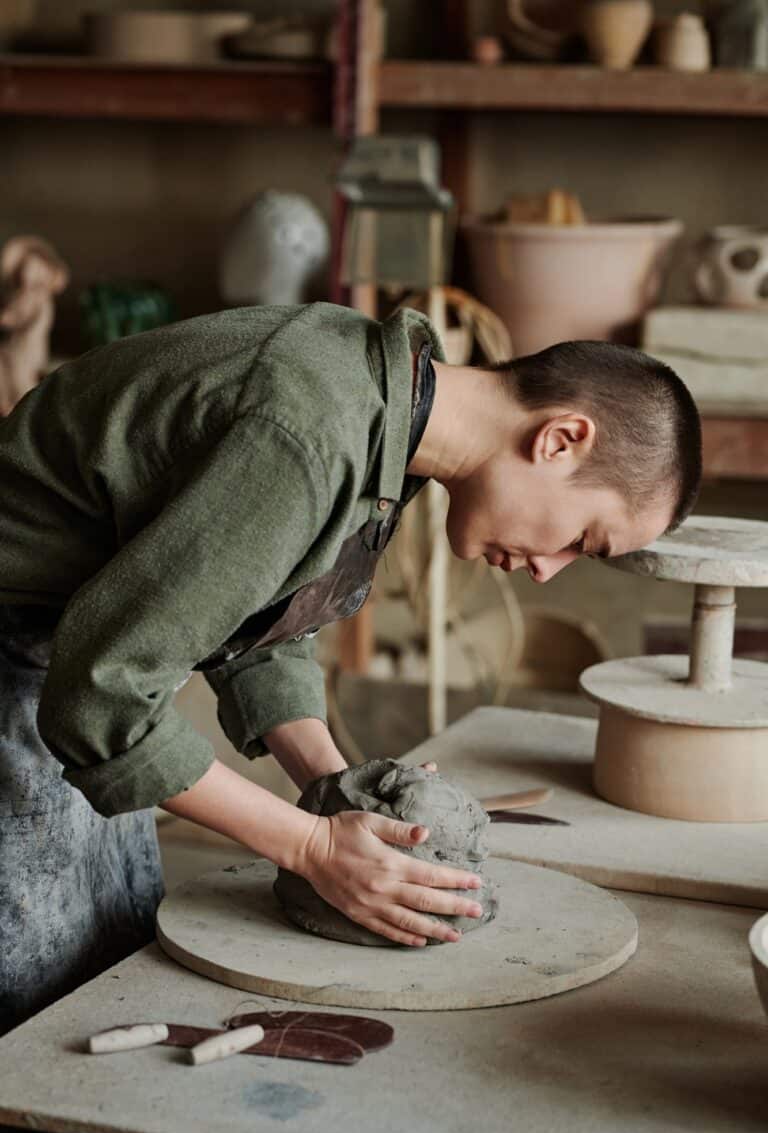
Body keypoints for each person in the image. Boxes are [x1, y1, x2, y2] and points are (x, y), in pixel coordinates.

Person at [0, 302, 702, 1033]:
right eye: (582, 540)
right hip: (32, 668)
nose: (550, 573)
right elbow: (101, 697)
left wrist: (340, 793)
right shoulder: (309, 432)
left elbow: (254, 613)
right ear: (560, 440)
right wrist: (309, 846)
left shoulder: (384, 403)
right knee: (36, 1037)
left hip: (66, 667)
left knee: (106, 977)